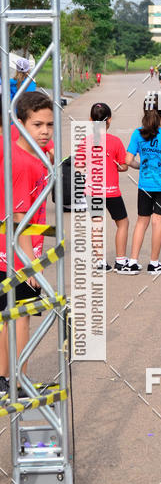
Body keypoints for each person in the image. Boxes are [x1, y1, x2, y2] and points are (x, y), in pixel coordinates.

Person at [0, 91, 54, 393]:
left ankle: (4, 378)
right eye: (37, 125)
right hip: (16, 256)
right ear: (20, 124)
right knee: (20, 319)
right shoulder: (23, 164)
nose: (45, 131)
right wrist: (33, 266)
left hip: (8, 253)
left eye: (49, 124)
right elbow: (20, 219)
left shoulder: (20, 148)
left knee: (7, 317)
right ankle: (14, 379)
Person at [123, 94, 161, 274]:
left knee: (141, 221)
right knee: (158, 223)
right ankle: (154, 263)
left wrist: (142, 165)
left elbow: (128, 160)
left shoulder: (137, 133)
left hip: (145, 185)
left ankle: (132, 261)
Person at [75, 102, 130, 272]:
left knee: (97, 224)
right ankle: (120, 260)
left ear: (91, 120)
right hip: (111, 191)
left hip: (92, 191)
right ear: (110, 120)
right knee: (122, 223)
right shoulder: (115, 141)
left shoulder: (85, 141)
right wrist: (117, 166)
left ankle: (100, 262)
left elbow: (79, 166)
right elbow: (124, 165)